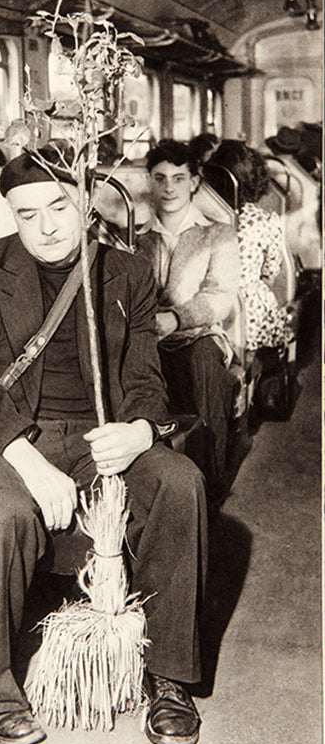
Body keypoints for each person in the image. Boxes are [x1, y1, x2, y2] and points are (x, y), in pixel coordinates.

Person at [0, 148, 209, 744]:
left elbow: (144, 378)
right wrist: (26, 459)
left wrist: (140, 431)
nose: (47, 227)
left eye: (59, 207)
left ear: (86, 202)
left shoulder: (127, 272)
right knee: (4, 514)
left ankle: (168, 677)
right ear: (11, 215)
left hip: (93, 432)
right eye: (27, 215)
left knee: (179, 481)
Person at [135, 139, 240, 501]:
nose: (169, 188)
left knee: (201, 364)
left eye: (178, 179)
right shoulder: (136, 235)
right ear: (149, 180)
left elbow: (219, 297)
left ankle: (209, 483)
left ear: (194, 182)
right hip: (146, 337)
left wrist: (175, 319)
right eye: (160, 178)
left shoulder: (217, 233)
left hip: (197, 335)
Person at [208, 140, 289, 352]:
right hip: (250, 315)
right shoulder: (264, 220)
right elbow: (270, 273)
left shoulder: (202, 215)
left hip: (209, 309)